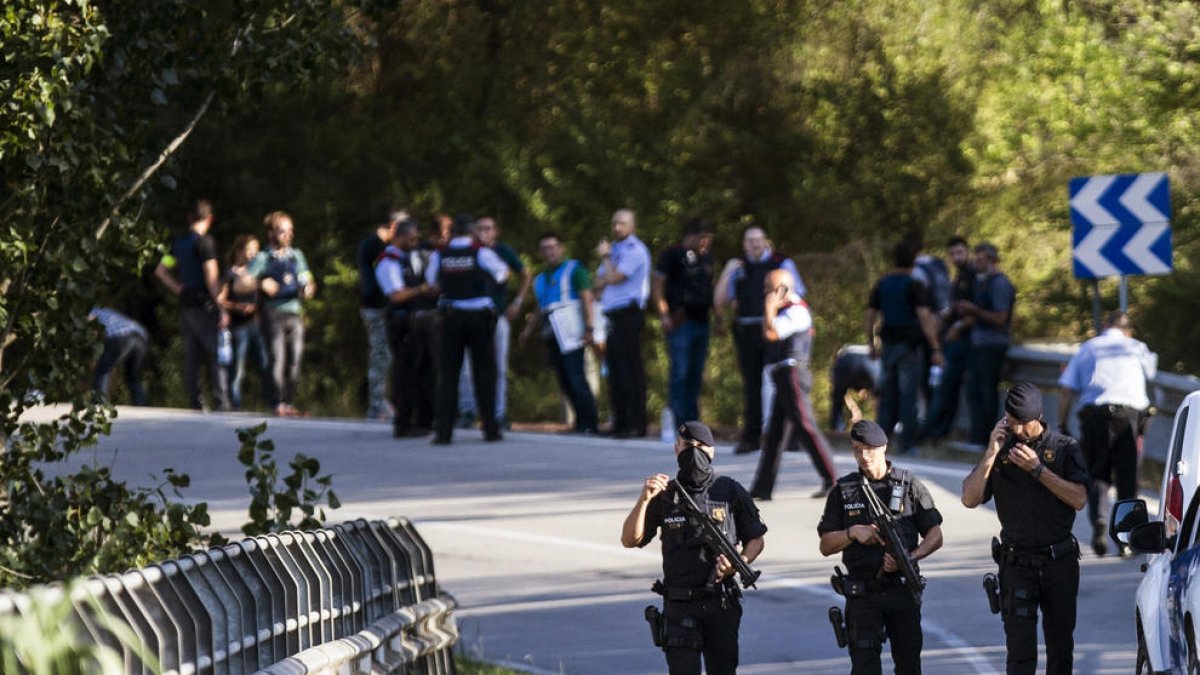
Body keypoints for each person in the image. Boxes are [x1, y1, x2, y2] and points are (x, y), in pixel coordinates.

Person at [961, 382, 1088, 675]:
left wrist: (1038, 470)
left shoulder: (1064, 447)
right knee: (1019, 654)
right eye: (1010, 421)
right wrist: (991, 452)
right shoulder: (1001, 448)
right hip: (1017, 563)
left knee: (1060, 651)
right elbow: (969, 498)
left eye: (1022, 423)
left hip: (1058, 562)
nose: (1016, 430)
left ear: (1038, 417)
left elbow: (1079, 499)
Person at [621, 421, 767, 675]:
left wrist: (739, 562)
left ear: (712, 451)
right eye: (688, 445)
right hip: (679, 603)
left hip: (720, 602)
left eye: (701, 446)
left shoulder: (729, 490)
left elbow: (756, 539)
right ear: (676, 449)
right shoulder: (665, 495)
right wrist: (644, 500)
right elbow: (630, 539)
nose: (694, 451)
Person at [818, 420, 944, 675]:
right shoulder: (844, 490)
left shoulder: (907, 485)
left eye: (869, 449)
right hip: (862, 594)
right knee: (865, 667)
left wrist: (910, 558)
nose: (863, 456)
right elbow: (826, 545)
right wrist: (852, 533)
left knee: (909, 666)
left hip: (901, 590)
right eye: (857, 450)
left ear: (884, 447)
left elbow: (935, 534)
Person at [1058, 311, 1157, 556]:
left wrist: (1062, 424)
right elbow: (1151, 374)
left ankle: (1100, 521)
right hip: (1129, 416)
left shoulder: (1088, 348)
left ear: (1104, 325)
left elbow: (1066, 390)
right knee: (1128, 478)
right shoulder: (1137, 347)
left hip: (1096, 416)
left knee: (1096, 473)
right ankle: (1126, 539)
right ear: (1128, 331)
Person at [713, 225, 806, 454]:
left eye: (758, 239)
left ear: (766, 241)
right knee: (751, 384)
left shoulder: (781, 263)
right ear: (744, 244)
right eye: (750, 240)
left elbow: (797, 293)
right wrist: (727, 272)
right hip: (747, 330)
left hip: (776, 329)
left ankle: (789, 435)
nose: (755, 244)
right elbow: (719, 301)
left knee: (781, 381)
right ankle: (752, 435)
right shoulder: (739, 268)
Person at [750, 269, 837, 500]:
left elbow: (772, 333)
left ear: (783, 289)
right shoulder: (784, 310)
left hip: (793, 374)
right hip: (782, 375)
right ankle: (763, 486)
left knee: (805, 426)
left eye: (770, 288)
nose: (766, 293)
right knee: (775, 434)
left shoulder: (797, 311)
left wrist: (769, 308)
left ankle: (832, 479)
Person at [426, 213, 510, 444]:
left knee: (448, 375)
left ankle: (444, 432)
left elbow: (431, 282)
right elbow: (502, 274)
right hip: (479, 317)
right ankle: (490, 429)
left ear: (452, 232)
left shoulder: (440, 254)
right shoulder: (481, 252)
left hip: (451, 316)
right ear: (472, 232)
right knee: (484, 373)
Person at [865, 240, 943, 454]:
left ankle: (880, 440)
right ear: (913, 262)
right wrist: (936, 347)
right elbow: (925, 318)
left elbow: (870, 316)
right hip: (909, 346)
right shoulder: (914, 285)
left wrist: (871, 343)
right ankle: (907, 442)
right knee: (908, 395)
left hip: (888, 345)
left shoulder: (882, 284)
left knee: (887, 394)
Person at [153, 199, 230, 411]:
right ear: (210, 219)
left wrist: (178, 288)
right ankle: (222, 401)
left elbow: (161, 270)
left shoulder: (179, 243)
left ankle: (196, 401)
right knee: (216, 352)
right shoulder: (205, 243)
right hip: (204, 303)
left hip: (186, 303)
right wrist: (221, 306)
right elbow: (211, 277)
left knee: (193, 354)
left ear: (189, 218)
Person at [457, 216, 531, 430]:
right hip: (469, 315)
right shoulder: (466, 251)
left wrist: (517, 301)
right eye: (480, 228)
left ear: (496, 231)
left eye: (488, 228)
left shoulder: (503, 251)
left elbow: (525, 274)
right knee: (466, 367)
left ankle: (499, 413)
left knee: (499, 366)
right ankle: (468, 411)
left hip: (496, 315)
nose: (484, 232)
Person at [520, 232, 599, 434]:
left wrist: (589, 328)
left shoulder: (574, 270)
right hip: (551, 331)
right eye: (545, 248)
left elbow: (586, 298)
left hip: (571, 329)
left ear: (561, 248)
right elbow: (540, 308)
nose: (549, 252)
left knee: (575, 375)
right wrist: (528, 330)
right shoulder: (540, 279)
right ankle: (579, 421)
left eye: (552, 247)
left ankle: (589, 421)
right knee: (564, 378)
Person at [247, 211, 317, 417]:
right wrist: (260, 283)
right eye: (282, 231)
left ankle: (288, 401)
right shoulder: (263, 258)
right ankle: (277, 403)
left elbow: (307, 278)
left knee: (295, 358)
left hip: (294, 312)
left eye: (290, 230)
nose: (288, 234)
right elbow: (241, 283)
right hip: (273, 312)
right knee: (277, 358)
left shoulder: (297, 256)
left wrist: (309, 287)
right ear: (270, 233)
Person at [375, 217, 439, 437]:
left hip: (419, 322)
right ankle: (403, 422)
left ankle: (425, 419)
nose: (415, 242)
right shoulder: (388, 262)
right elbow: (396, 295)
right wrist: (422, 289)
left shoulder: (412, 257)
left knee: (424, 371)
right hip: (401, 323)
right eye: (411, 239)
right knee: (405, 373)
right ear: (399, 237)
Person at [594, 208, 652, 438]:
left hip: (628, 313)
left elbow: (612, 277)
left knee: (630, 370)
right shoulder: (616, 251)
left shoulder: (635, 250)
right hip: (612, 316)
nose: (617, 228)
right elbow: (598, 281)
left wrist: (606, 259)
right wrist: (608, 269)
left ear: (632, 226)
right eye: (615, 223)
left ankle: (636, 423)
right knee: (615, 371)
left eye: (622, 223)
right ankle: (620, 422)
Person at [653, 217, 715, 425]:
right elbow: (658, 286)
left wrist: (719, 318)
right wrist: (664, 315)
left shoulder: (707, 258)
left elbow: (711, 287)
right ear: (691, 236)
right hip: (680, 321)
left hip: (702, 321)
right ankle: (677, 419)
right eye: (702, 238)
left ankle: (692, 420)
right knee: (680, 372)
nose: (705, 242)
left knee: (696, 373)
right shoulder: (672, 254)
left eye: (709, 238)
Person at [959, 242, 1016, 445]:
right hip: (978, 344)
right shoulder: (982, 282)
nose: (976, 263)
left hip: (992, 345)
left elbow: (1000, 318)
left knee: (986, 392)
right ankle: (976, 435)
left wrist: (974, 310)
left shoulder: (1000, 284)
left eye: (981, 259)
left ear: (992, 260)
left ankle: (986, 437)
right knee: (974, 390)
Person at [920, 236, 975, 442]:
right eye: (953, 254)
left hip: (965, 341)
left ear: (967, 251)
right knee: (946, 388)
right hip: (952, 340)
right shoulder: (958, 278)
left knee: (946, 388)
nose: (956, 257)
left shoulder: (974, 277)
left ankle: (930, 431)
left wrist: (959, 327)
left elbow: (977, 310)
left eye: (960, 252)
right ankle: (938, 431)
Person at [357, 210, 403, 420]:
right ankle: (377, 403)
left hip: (383, 307)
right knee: (381, 354)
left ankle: (386, 401)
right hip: (376, 308)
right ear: (393, 226)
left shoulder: (377, 245)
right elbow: (374, 282)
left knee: (388, 354)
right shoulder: (374, 246)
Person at [219, 235, 272, 411]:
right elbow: (221, 300)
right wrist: (238, 307)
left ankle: (273, 403)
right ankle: (235, 406)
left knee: (265, 364)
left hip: (257, 324)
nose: (253, 254)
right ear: (238, 251)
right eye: (249, 250)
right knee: (237, 369)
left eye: (256, 251)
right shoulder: (229, 274)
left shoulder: (256, 273)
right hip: (239, 326)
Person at [89, 307, 150, 406]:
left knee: (102, 369)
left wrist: (93, 355)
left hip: (120, 337)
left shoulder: (92, 312)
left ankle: (98, 403)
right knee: (132, 376)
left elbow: (91, 329)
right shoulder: (107, 312)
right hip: (141, 338)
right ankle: (141, 404)